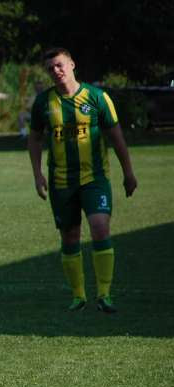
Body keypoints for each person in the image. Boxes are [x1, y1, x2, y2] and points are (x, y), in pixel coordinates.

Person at [28, 47, 138, 313]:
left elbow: (117, 137)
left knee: (100, 228)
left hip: (95, 178)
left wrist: (128, 172)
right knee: (70, 236)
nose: (55, 71)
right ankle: (78, 296)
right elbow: (34, 138)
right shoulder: (44, 103)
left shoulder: (97, 98)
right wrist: (37, 173)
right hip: (61, 181)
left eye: (59, 65)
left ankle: (104, 294)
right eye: (50, 68)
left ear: (72, 64)